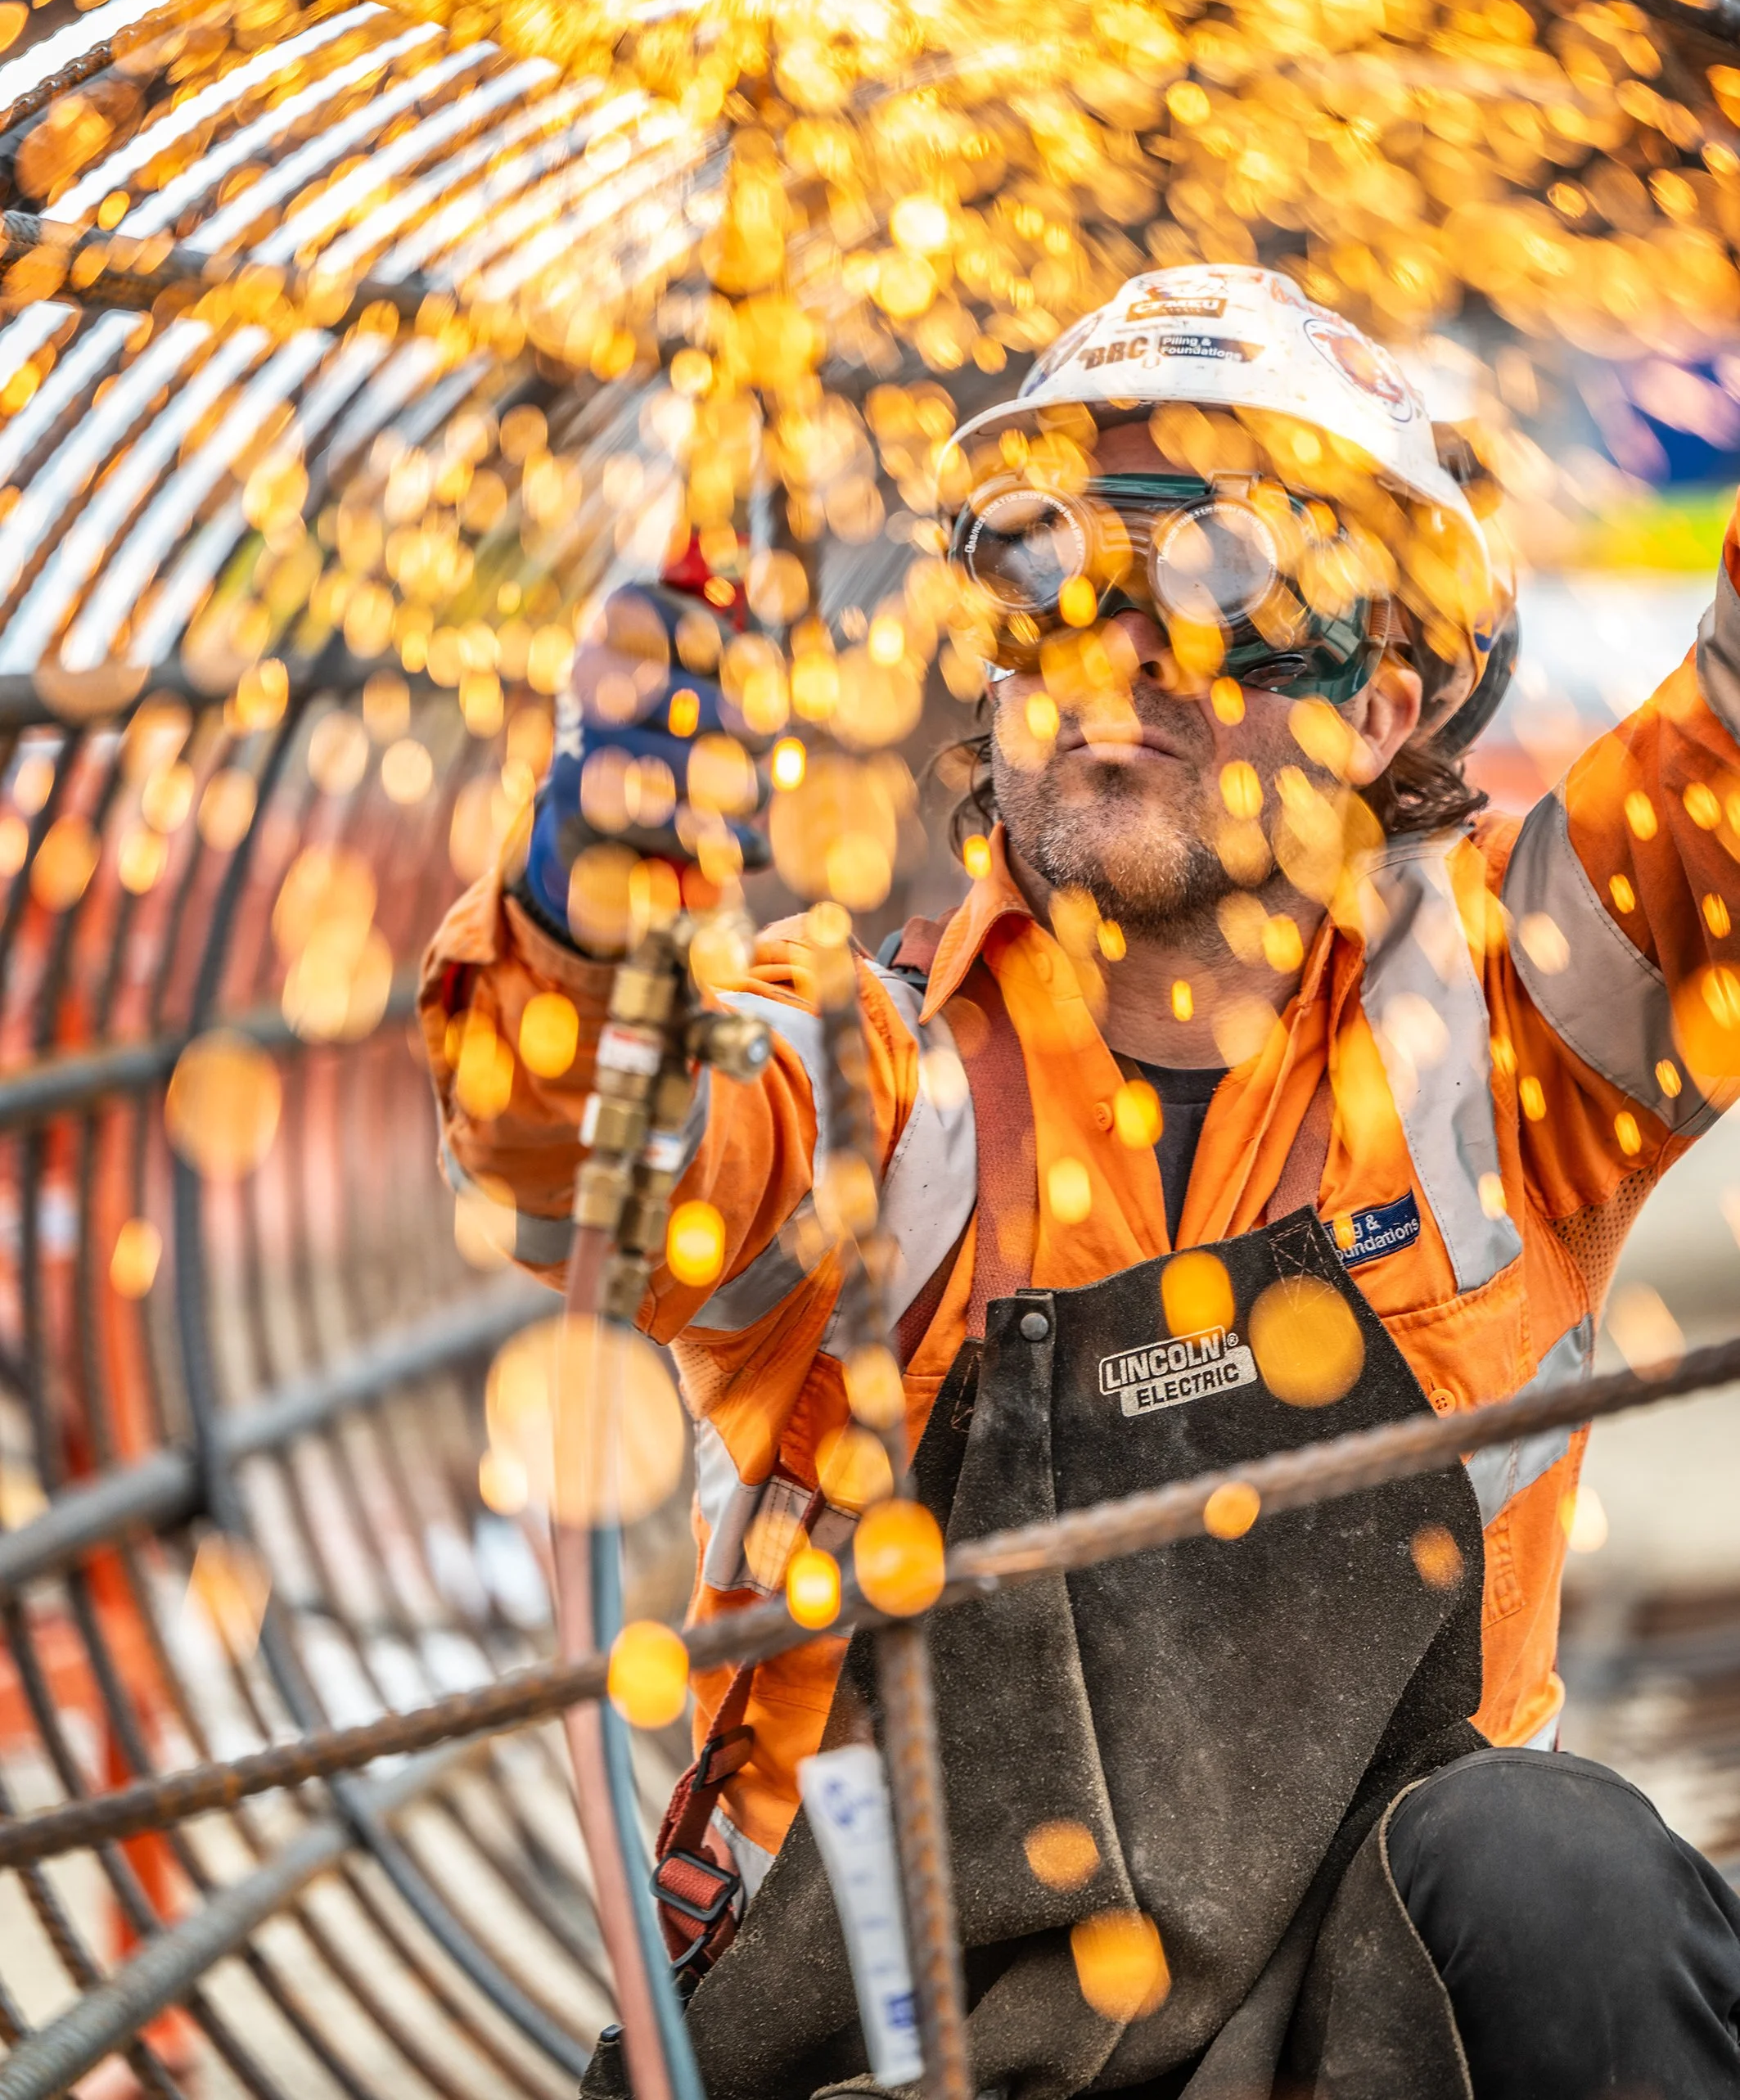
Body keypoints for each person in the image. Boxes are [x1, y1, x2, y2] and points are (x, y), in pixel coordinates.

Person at [421, 264, 1740, 2099]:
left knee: (1559, 1873)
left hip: (1346, 2033)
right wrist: (578, 918)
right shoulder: (872, 1076)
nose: (1113, 649)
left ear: (1381, 705)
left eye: (1223, 573)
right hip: (911, 2044)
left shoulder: (1510, 1022)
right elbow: (581, 1141)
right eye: (1047, 567)